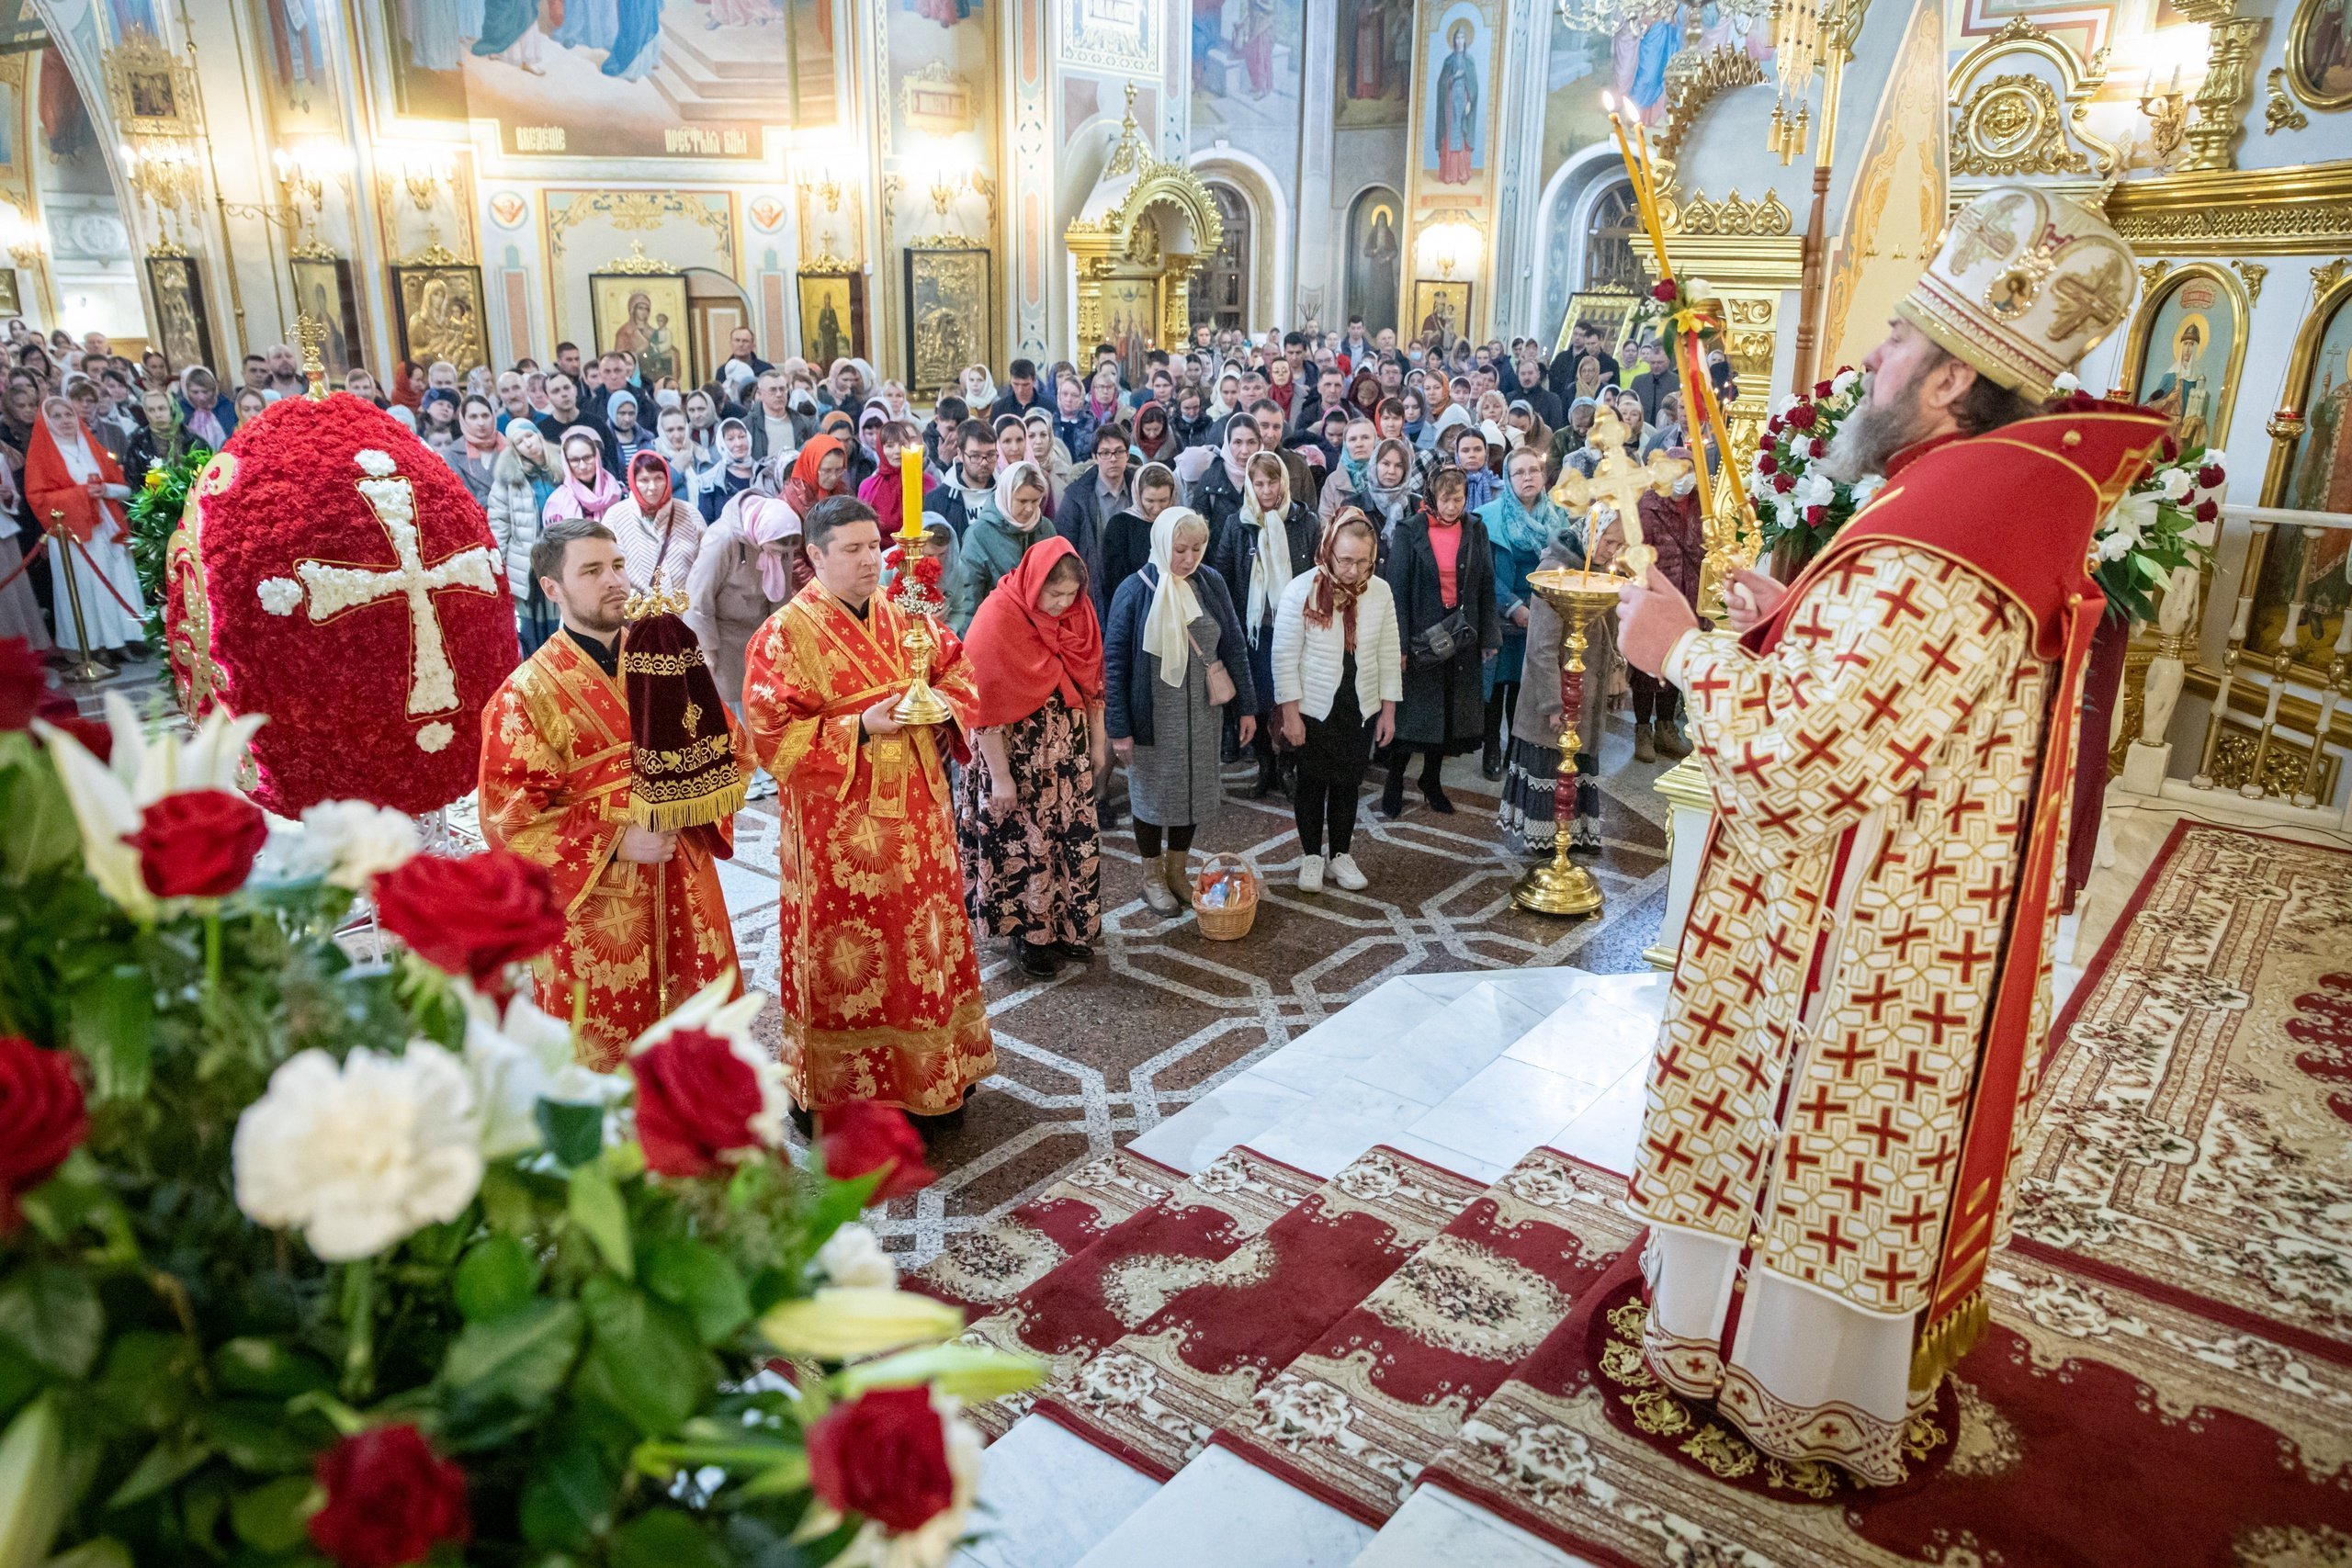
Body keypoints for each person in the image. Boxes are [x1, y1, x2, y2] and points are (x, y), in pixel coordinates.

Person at [1608, 186, 2153, 1487]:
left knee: (1810, 1146)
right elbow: (1902, 697)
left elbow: (1810, 762)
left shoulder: (1944, 534)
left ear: (1953, 379)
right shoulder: (1979, 499)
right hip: (1906, 912)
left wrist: (1677, 644)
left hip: (1854, 947)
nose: (1868, 365)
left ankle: (1777, 1374)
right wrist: (1800, 612)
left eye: (1896, 344)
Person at [742, 495, 996, 1119]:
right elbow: (770, 735)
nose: (868, 562)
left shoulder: (904, 615)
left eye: (872, 547)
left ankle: (933, 1076)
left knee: (923, 946)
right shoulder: (782, 636)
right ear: (815, 556)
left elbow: (960, 671)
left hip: (920, 818)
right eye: (852, 551)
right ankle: (840, 1092)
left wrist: (942, 710)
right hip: (840, 835)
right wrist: (859, 725)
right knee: (848, 956)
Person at [478, 518, 753, 1070]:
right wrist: (614, 839)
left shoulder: (667, 661)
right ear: (551, 588)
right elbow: (508, 821)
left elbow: (736, 749)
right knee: (605, 1059)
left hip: (684, 879)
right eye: (592, 570)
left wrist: (698, 796)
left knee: (700, 1043)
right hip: (595, 914)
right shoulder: (526, 693)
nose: (614, 581)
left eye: (618, 565)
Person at [956, 537, 1107, 980]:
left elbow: (1093, 682)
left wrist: (1097, 743)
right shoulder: (998, 617)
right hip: (1014, 757)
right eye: (1053, 594)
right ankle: (1029, 935)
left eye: (1069, 595)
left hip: (1065, 757)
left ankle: (1065, 927)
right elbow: (982, 708)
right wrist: (1000, 777)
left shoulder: (1078, 613)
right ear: (1032, 582)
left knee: (1067, 839)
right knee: (1025, 844)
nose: (1062, 604)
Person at [1104, 506, 1255, 916]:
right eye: (1180, 549)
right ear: (1161, 544)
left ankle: (1177, 871)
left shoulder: (1211, 583)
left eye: (1196, 548)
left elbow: (1235, 645)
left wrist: (1247, 707)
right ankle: (1151, 877)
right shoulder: (1135, 590)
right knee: (1153, 795)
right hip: (1153, 714)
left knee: (1192, 792)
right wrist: (1119, 727)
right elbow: (1114, 663)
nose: (1189, 559)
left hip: (1203, 714)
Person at [1272, 511, 1398, 894]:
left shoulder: (1381, 591)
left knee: (1347, 783)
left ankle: (1340, 854)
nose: (1353, 570)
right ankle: (1312, 856)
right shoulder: (1301, 590)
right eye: (1345, 560)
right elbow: (1284, 657)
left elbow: (1390, 652)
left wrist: (1388, 709)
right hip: (1313, 707)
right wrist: (1290, 715)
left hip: (1357, 704)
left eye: (1363, 561)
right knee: (1312, 783)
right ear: (1328, 549)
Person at [1382, 467, 1498, 817]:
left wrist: (1489, 635)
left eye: (1458, 499)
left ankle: (1431, 779)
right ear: (1432, 497)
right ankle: (1395, 780)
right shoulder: (1409, 530)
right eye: (1446, 499)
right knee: (1413, 716)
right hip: (1422, 636)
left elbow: (1486, 585)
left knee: (1447, 716)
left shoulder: (1476, 529)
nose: (1451, 507)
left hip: (1461, 635)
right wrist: (1400, 645)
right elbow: (1397, 592)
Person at [1214, 450, 1318, 798]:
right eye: (1258, 483)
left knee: (1290, 697)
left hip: (1293, 627)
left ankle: (1288, 764)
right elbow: (1223, 577)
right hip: (1254, 630)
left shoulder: (1305, 521)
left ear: (1283, 482)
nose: (1266, 490)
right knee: (1257, 699)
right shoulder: (1237, 523)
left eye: (1272, 481)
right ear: (1249, 484)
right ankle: (1265, 766)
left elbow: (1318, 575)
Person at [25, 395, 145, 660]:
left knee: (117, 581)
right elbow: (38, 498)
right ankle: (96, 644)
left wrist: (104, 489)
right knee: (87, 588)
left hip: (107, 526)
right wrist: (81, 495)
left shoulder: (92, 447)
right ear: (46, 421)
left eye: (68, 414)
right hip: (72, 534)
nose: (65, 420)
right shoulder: (41, 455)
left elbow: (123, 487)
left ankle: (123, 639)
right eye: (56, 416)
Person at [1478, 446, 1567, 779]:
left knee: (1523, 685)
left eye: (1533, 471)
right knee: (1496, 686)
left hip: (1543, 610)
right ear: (1508, 478)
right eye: (1519, 472)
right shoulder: (1487, 516)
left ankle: (1515, 749)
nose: (1527, 477)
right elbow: (1483, 571)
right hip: (1500, 610)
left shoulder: (1558, 517)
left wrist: (1540, 609)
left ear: (1543, 476)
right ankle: (1491, 749)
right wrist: (1514, 607)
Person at [684, 476, 792, 724]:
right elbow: (698, 600)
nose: (780, 555)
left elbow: (781, 599)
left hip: (760, 639)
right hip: (723, 640)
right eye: (774, 549)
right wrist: (707, 652)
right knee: (735, 716)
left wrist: (779, 640)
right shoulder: (722, 539)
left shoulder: (780, 532)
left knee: (765, 709)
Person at [1629, 454, 1703, 762]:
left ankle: (1666, 727)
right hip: (1656, 596)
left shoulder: (1704, 503)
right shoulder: (1648, 506)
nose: (1684, 477)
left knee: (1675, 664)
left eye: (1691, 471)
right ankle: (1643, 730)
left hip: (1690, 596)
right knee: (1648, 668)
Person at [946, 459, 1055, 636]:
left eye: (1035, 501)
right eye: (1022, 501)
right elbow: (969, 597)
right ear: (1005, 495)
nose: (1029, 509)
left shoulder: (1046, 528)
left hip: (1040, 630)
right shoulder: (979, 534)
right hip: (996, 630)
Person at [488, 421, 564, 654]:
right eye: (519, 442)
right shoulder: (508, 478)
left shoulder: (560, 466)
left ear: (539, 435)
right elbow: (499, 522)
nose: (527, 444)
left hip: (560, 557)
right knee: (530, 631)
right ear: (514, 448)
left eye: (529, 436)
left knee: (560, 622)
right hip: (526, 564)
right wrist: (497, 564)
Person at [1055, 423, 1132, 613]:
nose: (1113, 459)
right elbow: (1065, 545)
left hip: (1133, 579)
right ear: (1095, 457)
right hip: (1094, 585)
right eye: (1105, 453)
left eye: (1118, 452)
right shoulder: (1077, 496)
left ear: (1128, 455)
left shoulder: (1139, 487)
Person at [1101, 460, 1176, 616]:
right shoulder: (1120, 525)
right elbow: (1114, 579)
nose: (1157, 509)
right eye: (1150, 501)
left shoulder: (1179, 523)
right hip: (1134, 608)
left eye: (1163, 501)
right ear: (1137, 495)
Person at [122, 386, 194, 493]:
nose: (157, 415)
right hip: (156, 505)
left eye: (162, 408)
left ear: (172, 408)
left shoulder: (192, 440)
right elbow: (134, 487)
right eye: (151, 410)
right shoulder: (137, 446)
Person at [697, 417, 756, 523]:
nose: (739, 443)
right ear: (721, 443)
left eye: (742, 436)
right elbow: (705, 522)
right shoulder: (709, 481)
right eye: (730, 439)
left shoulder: (764, 472)